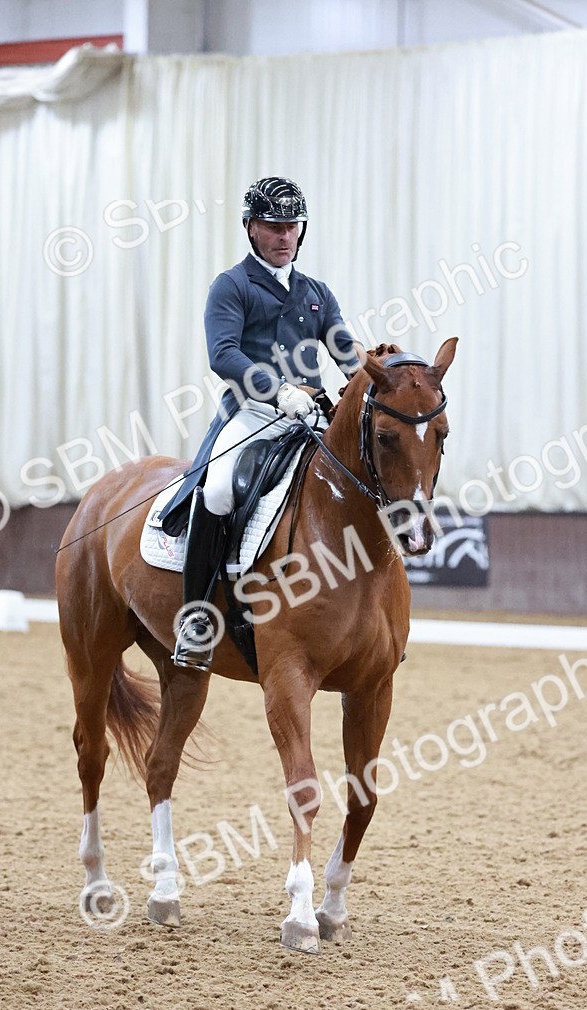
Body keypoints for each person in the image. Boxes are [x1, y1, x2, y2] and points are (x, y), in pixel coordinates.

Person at [161, 176, 361, 669]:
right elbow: (222, 353)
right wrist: (279, 391)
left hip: (308, 422)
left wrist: (383, 377)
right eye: (273, 226)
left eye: (292, 226)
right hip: (249, 416)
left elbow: (346, 356)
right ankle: (196, 619)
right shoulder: (232, 286)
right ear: (251, 228)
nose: (284, 236)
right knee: (218, 490)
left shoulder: (316, 293)